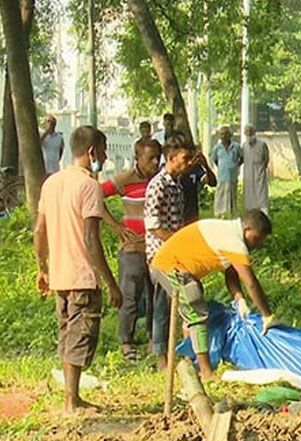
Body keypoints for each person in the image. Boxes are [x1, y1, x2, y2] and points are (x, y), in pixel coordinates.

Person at [33, 126, 123, 414]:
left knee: (68, 333)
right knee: (80, 336)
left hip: (59, 274)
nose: (106, 155)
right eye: (104, 149)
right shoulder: (89, 186)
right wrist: (111, 283)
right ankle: (71, 401)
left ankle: (72, 397)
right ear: (92, 151)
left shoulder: (51, 183)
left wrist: (42, 269)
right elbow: (90, 239)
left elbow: (39, 231)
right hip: (82, 276)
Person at [151, 210, 277, 380]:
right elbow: (251, 282)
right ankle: (205, 371)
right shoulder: (234, 241)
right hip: (171, 266)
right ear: (247, 229)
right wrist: (267, 315)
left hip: (173, 265)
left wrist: (239, 298)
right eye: (256, 238)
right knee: (197, 312)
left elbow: (231, 274)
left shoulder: (229, 232)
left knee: (193, 308)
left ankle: (190, 360)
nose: (257, 244)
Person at [100, 138, 162, 360]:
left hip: (157, 249)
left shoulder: (161, 179)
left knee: (157, 296)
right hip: (132, 248)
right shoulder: (125, 179)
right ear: (138, 158)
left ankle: (156, 341)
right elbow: (96, 195)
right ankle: (126, 341)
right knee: (130, 297)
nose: (155, 162)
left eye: (158, 157)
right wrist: (115, 226)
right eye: (150, 158)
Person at [144, 133, 197, 370]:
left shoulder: (177, 185)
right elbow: (154, 226)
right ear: (171, 158)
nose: (188, 163)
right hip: (160, 255)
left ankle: (179, 353)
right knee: (172, 302)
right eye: (185, 159)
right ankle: (162, 358)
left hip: (176, 254)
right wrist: (178, 242)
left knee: (170, 303)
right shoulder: (158, 185)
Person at [211, 126, 243, 217]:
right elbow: (215, 160)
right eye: (221, 134)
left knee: (232, 194)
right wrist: (222, 166)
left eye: (225, 134)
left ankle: (232, 212)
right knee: (220, 193)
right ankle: (219, 212)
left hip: (232, 175)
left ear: (230, 135)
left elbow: (242, 157)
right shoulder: (217, 148)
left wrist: (235, 166)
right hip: (222, 175)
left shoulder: (236, 146)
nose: (223, 136)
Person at [180, 150, 218, 224]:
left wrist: (206, 166)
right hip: (177, 214)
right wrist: (187, 169)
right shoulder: (176, 168)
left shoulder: (195, 168)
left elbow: (212, 182)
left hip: (192, 213)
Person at [242, 125, 270, 215]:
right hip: (248, 175)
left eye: (251, 132)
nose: (249, 134)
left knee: (261, 196)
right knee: (249, 197)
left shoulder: (262, 144)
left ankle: (264, 216)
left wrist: (261, 168)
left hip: (259, 173)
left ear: (254, 132)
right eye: (247, 132)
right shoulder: (244, 146)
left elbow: (266, 158)